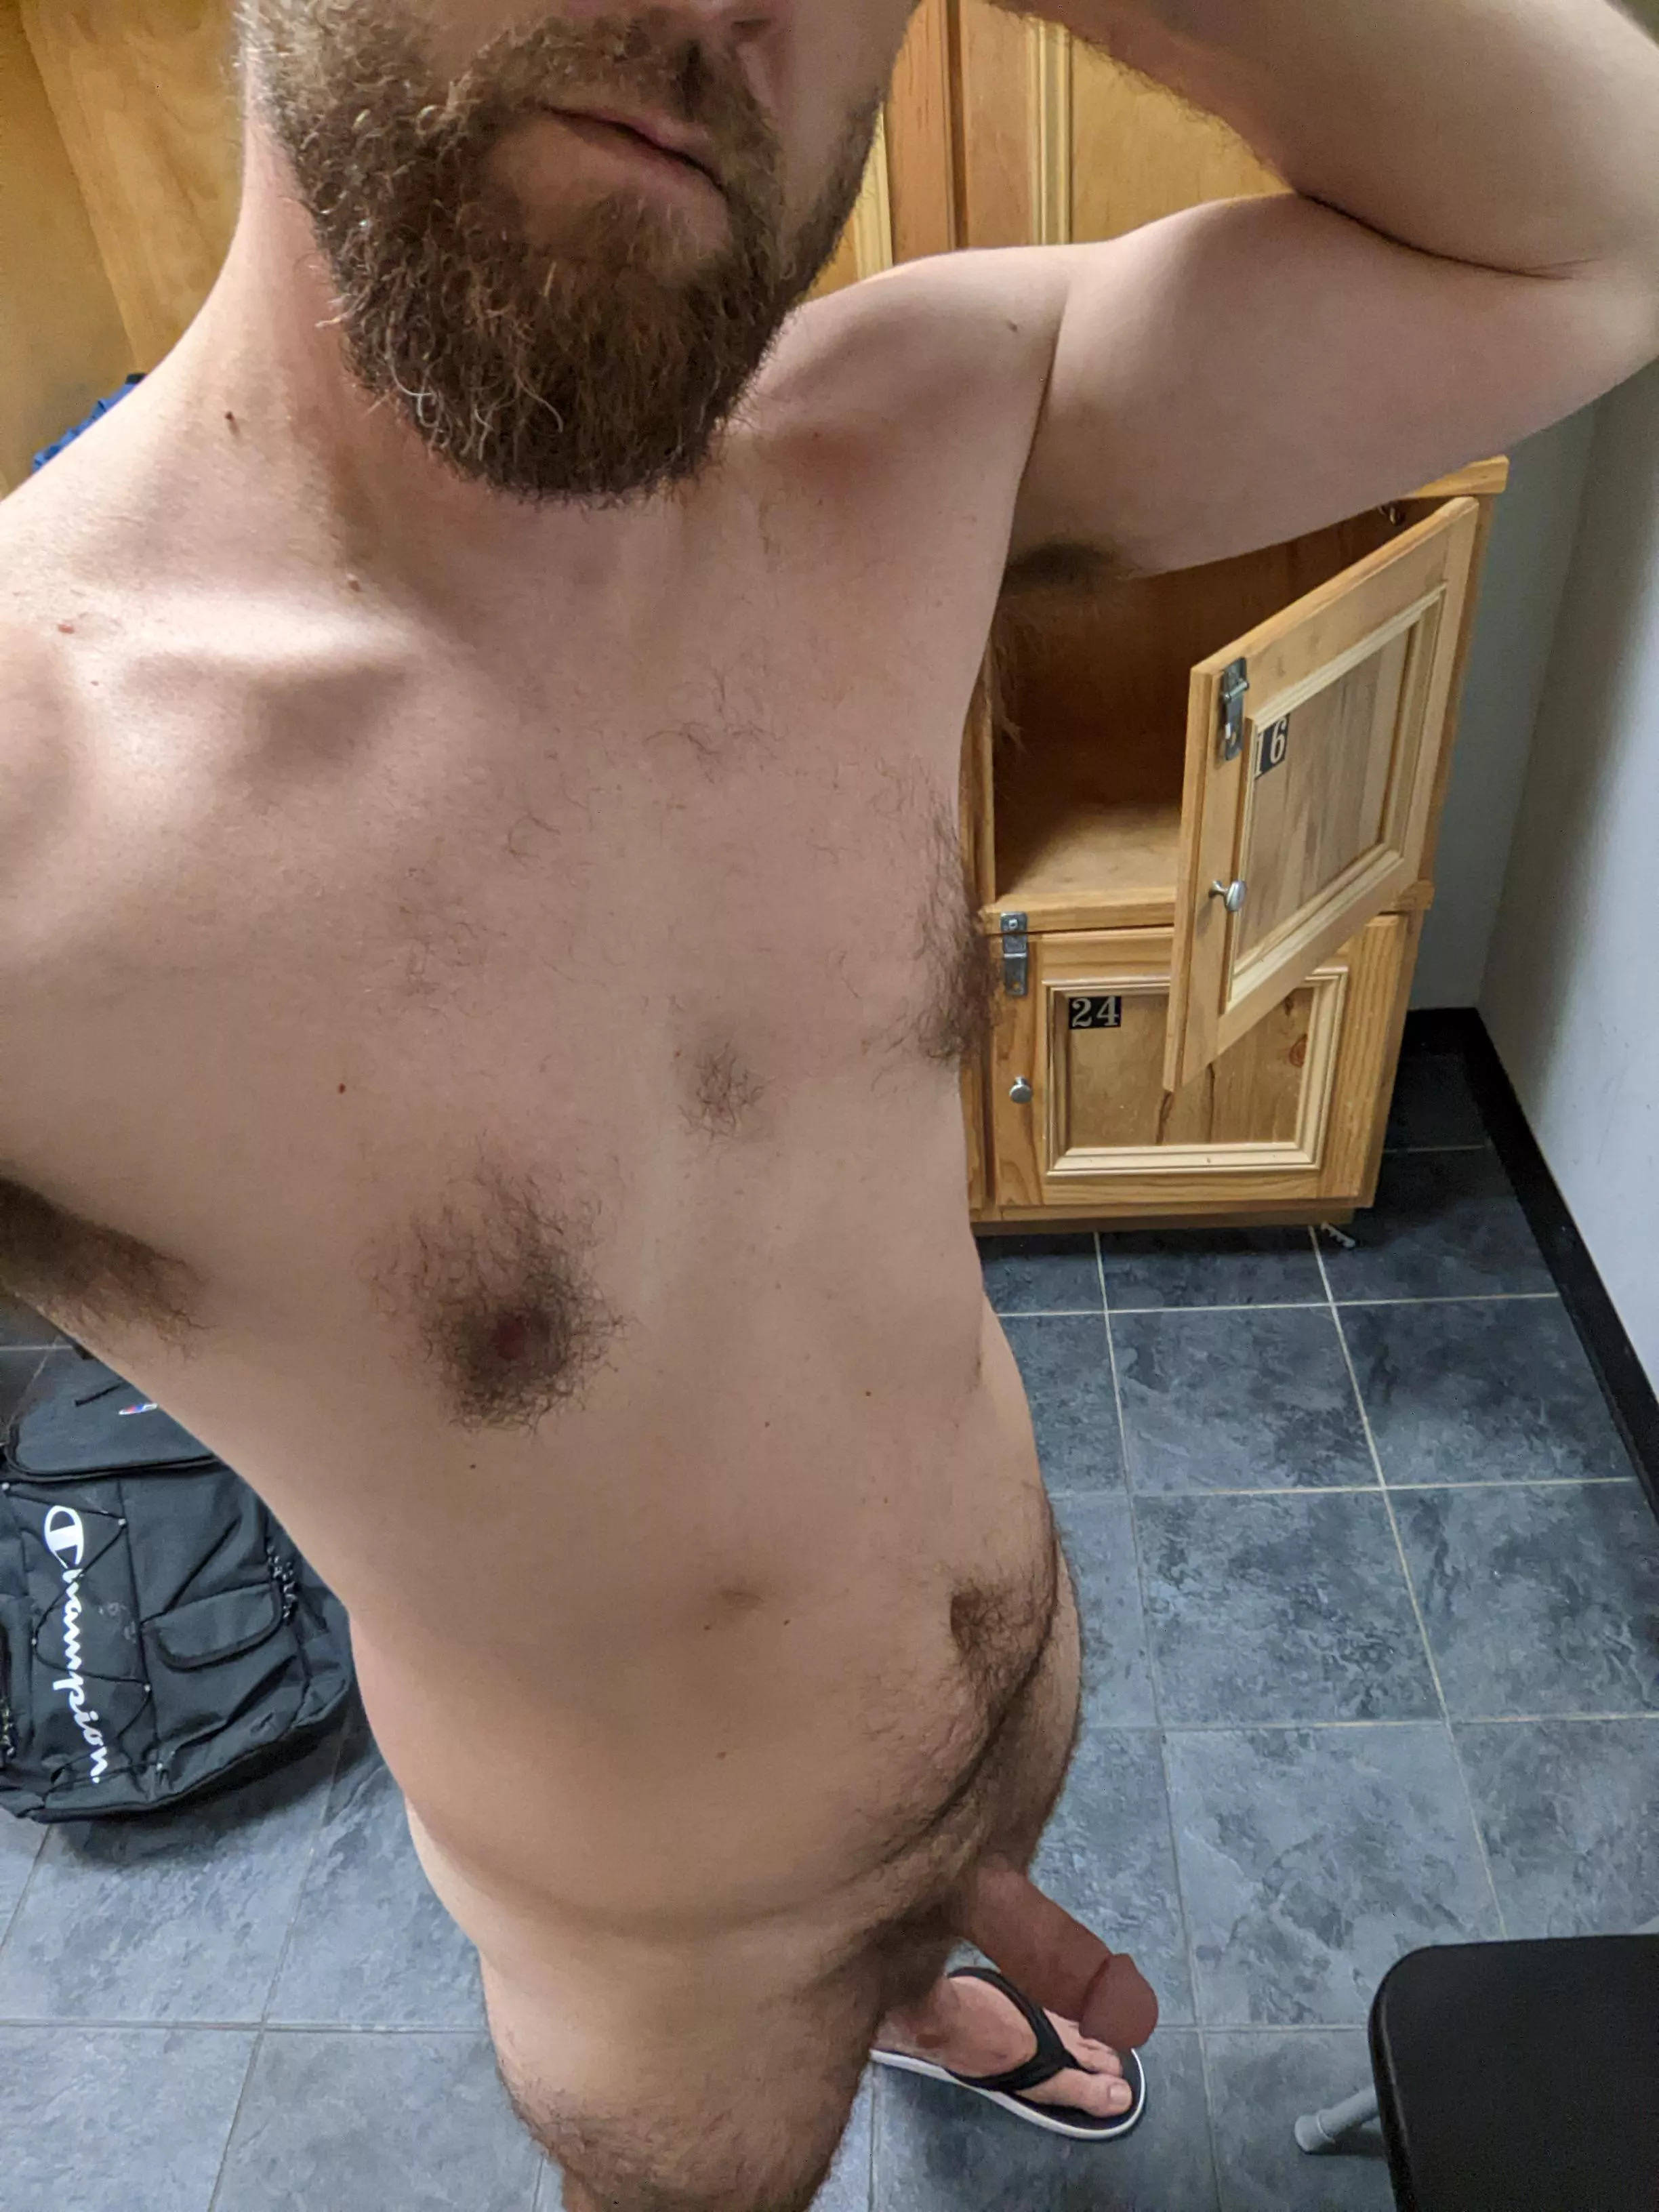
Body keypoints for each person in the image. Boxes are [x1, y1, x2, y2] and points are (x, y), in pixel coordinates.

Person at [2, 1, 1656, 2205]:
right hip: (682, 1991)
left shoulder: (903, 438)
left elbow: (1605, 235)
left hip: (1003, 1725)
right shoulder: (36, 816)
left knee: (948, 1917)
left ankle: (928, 1991)